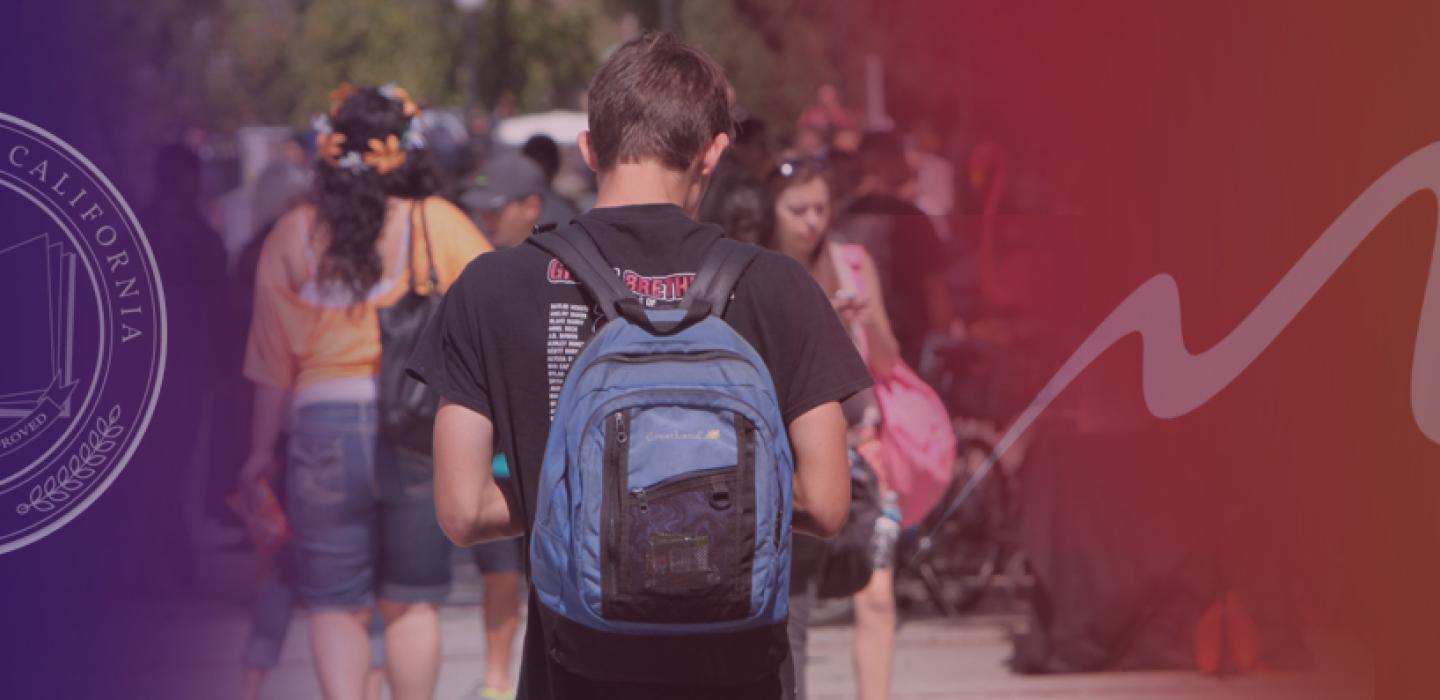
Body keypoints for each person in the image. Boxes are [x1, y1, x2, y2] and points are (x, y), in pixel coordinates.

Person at [406, 32, 868, 700]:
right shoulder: (780, 287)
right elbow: (826, 505)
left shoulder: (494, 287)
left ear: (590, 148)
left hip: (579, 664)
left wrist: (580, 498)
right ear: (715, 150)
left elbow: (463, 508)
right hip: (741, 671)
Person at [241, 83, 492, 700]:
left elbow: (273, 363)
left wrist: (256, 455)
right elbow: (495, 310)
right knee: (412, 604)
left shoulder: (293, 235)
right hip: (414, 422)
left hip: (320, 427)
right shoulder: (437, 221)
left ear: (329, 151)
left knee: (334, 607)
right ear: (408, 150)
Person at [763, 158, 902, 700]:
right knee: (795, 602)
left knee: (876, 592)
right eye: (797, 209)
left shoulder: (853, 263)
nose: (811, 221)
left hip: (863, 450)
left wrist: (862, 323)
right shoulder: (761, 274)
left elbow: (888, 364)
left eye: (821, 208)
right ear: (774, 212)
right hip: (798, 455)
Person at [833, 131, 956, 368]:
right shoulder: (913, 220)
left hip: (853, 345)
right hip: (907, 351)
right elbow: (937, 294)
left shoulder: (837, 219)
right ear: (888, 162)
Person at [460, 153, 548, 250]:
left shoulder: (554, 260)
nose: (486, 219)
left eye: (496, 210)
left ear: (532, 207)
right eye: (482, 209)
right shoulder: (472, 251)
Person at [521, 134, 582, 228]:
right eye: (538, 160)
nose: (540, 168)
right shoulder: (567, 206)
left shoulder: (567, 206)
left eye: (545, 160)